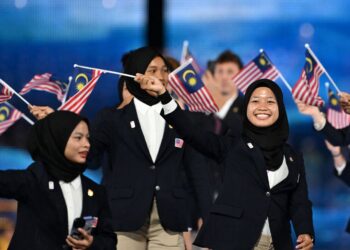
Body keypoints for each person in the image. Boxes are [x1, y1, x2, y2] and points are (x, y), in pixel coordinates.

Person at [136, 76, 315, 250]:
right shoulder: (232, 146)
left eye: (270, 101)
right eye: (255, 101)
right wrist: (164, 97)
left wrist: (305, 231)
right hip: (235, 241)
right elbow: (192, 133)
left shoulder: (293, 156)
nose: (262, 107)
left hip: (278, 243)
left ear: (280, 108)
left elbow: (299, 201)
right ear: (246, 107)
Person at [88, 47, 211, 250]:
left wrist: (209, 218)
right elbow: (90, 159)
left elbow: (198, 172)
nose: (161, 76)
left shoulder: (181, 120)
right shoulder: (112, 119)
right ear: (136, 75)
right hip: (124, 218)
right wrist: (58, 129)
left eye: (164, 70)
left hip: (169, 218)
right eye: (152, 70)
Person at [0, 111, 116, 249]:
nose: (87, 144)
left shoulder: (96, 191)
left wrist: (92, 243)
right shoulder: (34, 179)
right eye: (78, 138)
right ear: (58, 139)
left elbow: (109, 241)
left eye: (88, 138)